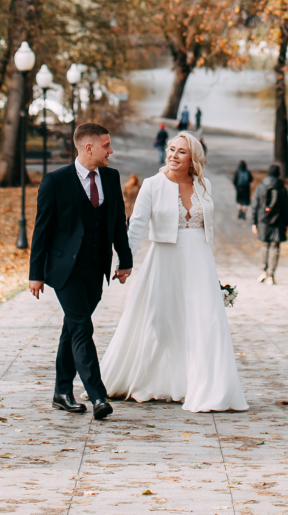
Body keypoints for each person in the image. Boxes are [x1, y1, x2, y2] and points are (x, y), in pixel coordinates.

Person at [101, 132, 247, 412]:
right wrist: (125, 262)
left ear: (193, 159)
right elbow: (137, 226)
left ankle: (209, 389)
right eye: (171, 149)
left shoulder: (204, 185)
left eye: (181, 152)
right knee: (160, 322)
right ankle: (154, 380)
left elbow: (208, 228)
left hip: (200, 261)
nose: (173, 155)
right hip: (165, 259)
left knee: (207, 322)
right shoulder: (152, 185)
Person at [28, 122, 133, 420]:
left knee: (73, 327)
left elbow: (117, 224)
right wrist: (35, 274)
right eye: (106, 146)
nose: (111, 151)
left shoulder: (111, 178)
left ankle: (61, 392)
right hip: (65, 270)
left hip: (95, 269)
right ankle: (98, 395)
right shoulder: (55, 181)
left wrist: (124, 261)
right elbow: (42, 231)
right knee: (82, 327)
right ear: (88, 147)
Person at [251, 164, 288, 283]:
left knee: (264, 245)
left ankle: (263, 270)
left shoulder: (260, 187)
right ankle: (271, 275)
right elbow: (286, 207)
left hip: (263, 221)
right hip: (278, 222)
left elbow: (255, 205)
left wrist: (254, 222)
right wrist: (286, 223)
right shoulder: (282, 188)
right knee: (275, 247)